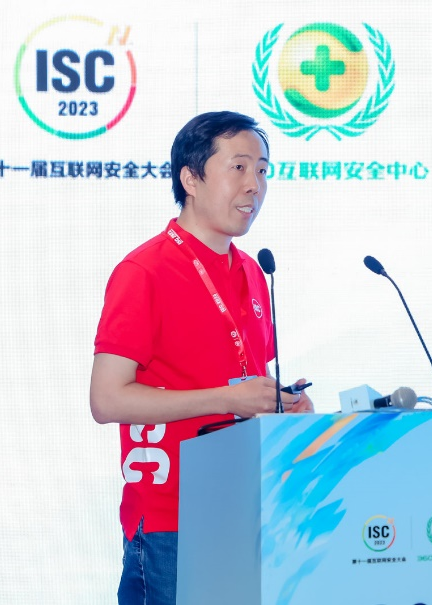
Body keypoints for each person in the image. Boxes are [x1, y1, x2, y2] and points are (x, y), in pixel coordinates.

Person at [90, 111, 313, 605]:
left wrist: (282, 402)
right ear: (190, 179)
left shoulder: (253, 271)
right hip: (172, 520)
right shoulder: (144, 271)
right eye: (239, 167)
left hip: (246, 509)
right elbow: (107, 400)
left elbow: (246, 382)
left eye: (263, 170)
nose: (254, 185)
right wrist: (228, 398)